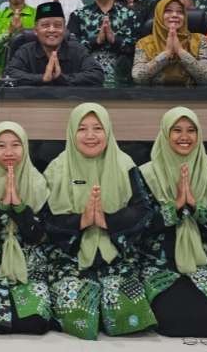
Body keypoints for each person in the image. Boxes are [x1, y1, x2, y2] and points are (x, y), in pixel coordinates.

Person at [42, 103, 156, 340]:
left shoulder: (125, 164)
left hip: (117, 253)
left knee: (128, 318)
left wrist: (108, 221)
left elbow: (144, 211)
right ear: (72, 132)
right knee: (80, 320)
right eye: (82, 129)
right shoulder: (56, 168)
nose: (91, 135)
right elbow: (44, 220)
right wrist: (80, 221)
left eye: (98, 128)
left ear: (108, 131)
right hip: (69, 256)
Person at [140, 107, 207, 338]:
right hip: (160, 264)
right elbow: (138, 228)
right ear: (165, 133)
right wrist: (173, 210)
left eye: (191, 130)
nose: (185, 137)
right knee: (172, 320)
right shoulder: (146, 175)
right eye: (177, 130)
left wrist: (197, 209)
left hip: (204, 264)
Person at [0, 122, 52, 334]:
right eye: (1, 146)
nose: (9, 152)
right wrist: (0, 206)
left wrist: (19, 207)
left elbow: (39, 236)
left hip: (31, 260)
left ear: (25, 148)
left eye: (15, 145)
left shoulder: (38, 183)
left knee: (35, 321)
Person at [67, 0, 139, 87]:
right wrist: (97, 40)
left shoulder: (129, 15)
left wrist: (114, 40)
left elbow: (138, 48)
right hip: (86, 83)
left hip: (122, 84)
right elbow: (71, 50)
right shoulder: (78, 16)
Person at [5, 1, 104, 86]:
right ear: (35, 30)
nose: (52, 30)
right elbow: (10, 74)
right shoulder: (25, 50)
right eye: (45, 25)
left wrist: (62, 78)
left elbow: (97, 75)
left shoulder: (77, 50)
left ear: (65, 29)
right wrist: (42, 78)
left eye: (57, 25)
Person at [132, 0, 207, 86]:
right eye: (168, 11)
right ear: (159, 15)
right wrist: (166, 54)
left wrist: (180, 51)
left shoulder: (200, 40)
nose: (175, 15)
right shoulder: (144, 43)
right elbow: (138, 78)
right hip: (154, 97)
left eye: (180, 12)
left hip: (192, 97)